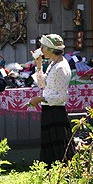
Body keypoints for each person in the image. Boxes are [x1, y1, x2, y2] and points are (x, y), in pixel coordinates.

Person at [34, 33, 75, 166]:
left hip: (56, 111)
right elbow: (42, 84)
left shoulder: (61, 67)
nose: (41, 49)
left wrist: (41, 99)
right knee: (50, 148)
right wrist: (39, 65)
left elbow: (62, 96)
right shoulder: (53, 64)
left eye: (43, 47)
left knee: (60, 148)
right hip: (49, 109)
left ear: (51, 49)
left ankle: (64, 176)